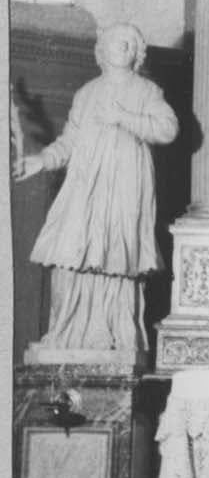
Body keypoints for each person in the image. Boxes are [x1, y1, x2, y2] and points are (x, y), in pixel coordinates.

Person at [15, 22, 178, 354]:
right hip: (85, 185)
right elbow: (69, 141)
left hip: (124, 185)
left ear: (138, 53)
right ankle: (68, 333)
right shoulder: (86, 93)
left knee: (117, 256)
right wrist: (42, 160)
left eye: (130, 43)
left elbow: (168, 129)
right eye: (117, 41)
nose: (124, 46)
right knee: (72, 251)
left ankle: (114, 335)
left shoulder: (147, 91)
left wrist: (124, 117)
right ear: (102, 50)